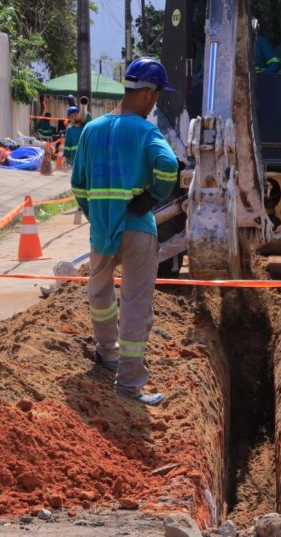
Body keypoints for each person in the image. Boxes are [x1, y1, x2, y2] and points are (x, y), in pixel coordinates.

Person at [71, 57, 180, 406]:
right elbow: (168, 166)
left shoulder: (90, 130)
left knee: (100, 295)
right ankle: (129, 386)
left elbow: (78, 185)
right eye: (157, 96)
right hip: (137, 230)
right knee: (135, 305)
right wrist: (152, 197)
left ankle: (107, 355)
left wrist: (97, 215)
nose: (155, 104)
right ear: (147, 93)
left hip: (103, 231)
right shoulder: (146, 131)